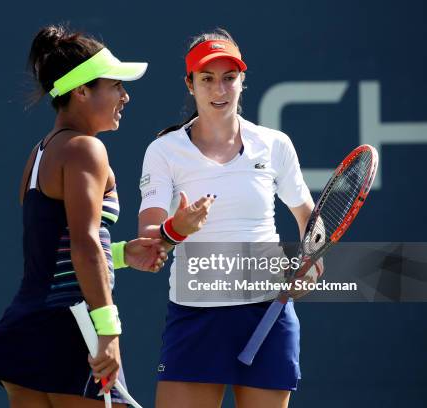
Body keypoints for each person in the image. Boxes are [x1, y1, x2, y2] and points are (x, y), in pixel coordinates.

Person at [0, 25, 168, 408]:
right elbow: (84, 245)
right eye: (115, 85)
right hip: (71, 328)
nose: (125, 95)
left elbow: (57, 246)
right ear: (81, 91)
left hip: (27, 326)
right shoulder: (86, 150)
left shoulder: (39, 154)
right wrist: (108, 331)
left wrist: (120, 255)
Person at [137, 28, 323, 408]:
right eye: (207, 79)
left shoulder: (275, 145)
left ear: (242, 81)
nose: (219, 90)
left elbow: (309, 217)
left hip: (267, 313)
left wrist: (313, 263)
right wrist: (177, 229)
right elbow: (148, 239)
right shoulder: (163, 151)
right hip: (195, 316)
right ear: (190, 84)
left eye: (229, 78)